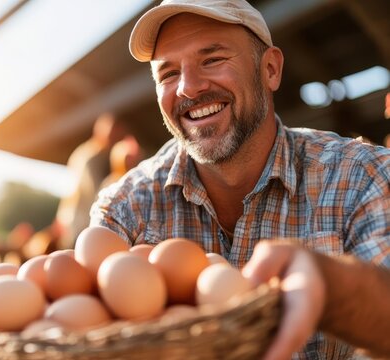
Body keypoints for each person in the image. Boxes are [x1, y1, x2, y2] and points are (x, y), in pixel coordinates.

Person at [89, 0, 390, 359]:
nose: (188, 87)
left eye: (212, 59)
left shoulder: (361, 176)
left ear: (271, 70)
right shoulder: (124, 208)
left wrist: (334, 289)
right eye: (168, 74)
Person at [56, 112, 126, 248]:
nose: (116, 139)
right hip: (81, 222)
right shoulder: (92, 158)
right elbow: (99, 194)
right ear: (100, 131)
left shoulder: (82, 152)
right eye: (114, 133)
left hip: (71, 219)